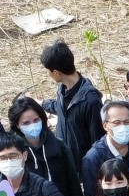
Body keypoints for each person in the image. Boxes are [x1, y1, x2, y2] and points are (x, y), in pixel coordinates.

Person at [7, 94, 87, 196]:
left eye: (36, 120)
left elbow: (73, 184)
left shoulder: (59, 147)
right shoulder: (11, 154)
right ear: (17, 126)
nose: (32, 125)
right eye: (26, 123)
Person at [41, 39, 105, 177]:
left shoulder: (90, 101)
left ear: (57, 72)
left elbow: (98, 140)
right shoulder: (63, 89)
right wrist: (43, 104)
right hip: (66, 164)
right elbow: (63, 109)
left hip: (83, 170)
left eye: (48, 71)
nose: (47, 75)